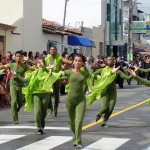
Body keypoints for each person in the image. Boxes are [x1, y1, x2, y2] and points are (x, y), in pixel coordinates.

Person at [13, 57, 61, 135]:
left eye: (41, 63)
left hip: (45, 94)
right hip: (36, 94)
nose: (39, 64)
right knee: (37, 111)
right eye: (38, 63)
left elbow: (51, 75)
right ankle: (38, 128)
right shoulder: (33, 73)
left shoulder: (47, 71)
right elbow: (25, 80)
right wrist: (16, 75)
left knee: (43, 112)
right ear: (36, 65)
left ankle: (42, 120)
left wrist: (45, 67)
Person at [88, 56, 132, 128]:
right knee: (104, 108)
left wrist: (132, 73)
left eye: (111, 60)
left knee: (110, 109)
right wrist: (93, 85)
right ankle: (99, 114)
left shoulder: (117, 71)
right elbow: (92, 75)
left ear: (114, 61)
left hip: (112, 92)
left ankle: (104, 122)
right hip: (104, 91)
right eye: (108, 60)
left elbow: (127, 77)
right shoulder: (102, 70)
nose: (109, 61)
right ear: (106, 61)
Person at [63, 54, 91, 150]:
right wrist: (47, 69)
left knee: (78, 121)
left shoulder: (85, 74)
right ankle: (75, 136)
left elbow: (94, 76)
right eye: (75, 60)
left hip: (81, 100)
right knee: (72, 122)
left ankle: (78, 141)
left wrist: (86, 67)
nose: (77, 62)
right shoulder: (68, 72)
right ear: (73, 62)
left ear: (82, 63)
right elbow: (55, 76)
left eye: (80, 61)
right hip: (70, 100)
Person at [0, 51, 33, 124]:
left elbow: (33, 69)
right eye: (17, 56)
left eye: (20, 56)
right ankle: (15, 119)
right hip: (13, 85)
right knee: (14, 101)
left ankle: (17, 108)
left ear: (22, 57)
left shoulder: (25, 65)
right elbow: (3, 66)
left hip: (21, 86)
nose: (18, 57)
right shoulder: (11, 65)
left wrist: (28, 60)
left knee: (20, 102)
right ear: (15, 57)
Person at [45, 46, 72, 116]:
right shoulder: (47, 57)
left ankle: (55, 110)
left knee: (56, 95)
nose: (52, 50)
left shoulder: (59, 57)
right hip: (49, 77)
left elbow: (65, 61)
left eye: (54, 49)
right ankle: (49, 108)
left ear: (56, 50)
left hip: (57, 77)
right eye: (51, 49)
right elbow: (42, 64)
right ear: (49, 51)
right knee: (48, 93)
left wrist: (71, 61)